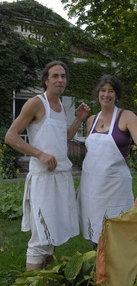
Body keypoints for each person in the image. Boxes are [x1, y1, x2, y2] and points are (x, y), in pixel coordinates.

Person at [4, 60, 90, 270]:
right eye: (55, 76)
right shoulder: (35, 103)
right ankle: (32, 283)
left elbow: (63, 139)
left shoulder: (61, 106)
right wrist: (39, 154)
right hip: (42, 179)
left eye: (63, 76)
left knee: (53, 236)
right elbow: (10, 136)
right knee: (40, 239)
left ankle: (46, 280)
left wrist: (78, 120)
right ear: (46, 80)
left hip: (61, 177)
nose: (60, 80)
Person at [77, 74, 137, 246]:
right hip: (91, 189)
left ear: (117, 95)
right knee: (95, 235)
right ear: (98, 93)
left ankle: (118, 272)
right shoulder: (90, 121)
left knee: (117, 238)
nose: (106, 95)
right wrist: (80, 188)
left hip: (115, 188)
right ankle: (98, 271)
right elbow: (92, 158)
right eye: (103, 90)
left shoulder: (127, 117)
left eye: (111, 91)